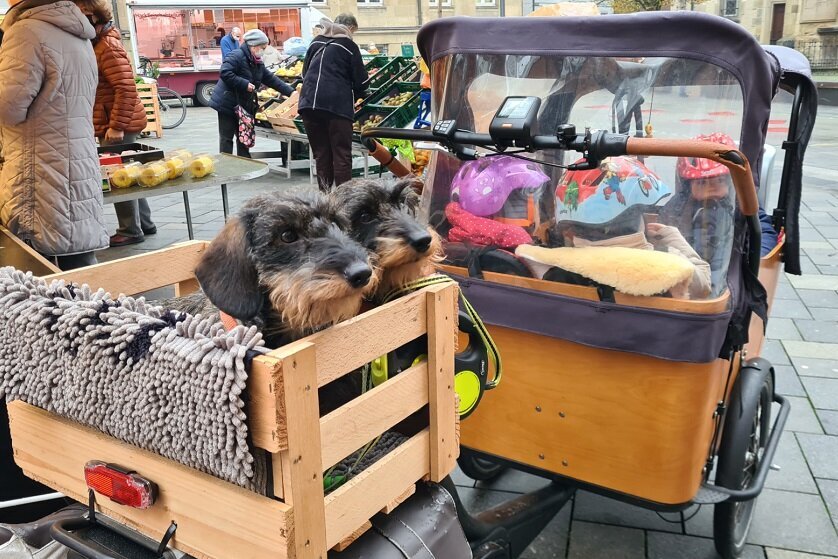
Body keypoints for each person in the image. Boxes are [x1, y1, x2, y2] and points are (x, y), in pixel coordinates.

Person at [0, 0, 109, 270]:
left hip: (39, 167)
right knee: (78, 256)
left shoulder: (26, 32)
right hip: (76, 159)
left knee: (33, 270)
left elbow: (9, 108)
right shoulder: (78, 34)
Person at [74, 0, 156, 248]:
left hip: (118, 122)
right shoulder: (99, 43)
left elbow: (126, 88)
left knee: (118, 174)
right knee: (129, 171)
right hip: (114, 119)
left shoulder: (107, 46)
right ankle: (145, 223)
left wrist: (116, 125)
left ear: (94, 19)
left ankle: (130, 229)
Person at [298, 14, 368, 192]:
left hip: (308, 104)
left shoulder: (316, 42)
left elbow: (305, 73)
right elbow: (361, 81)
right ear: (350, 28)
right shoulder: (349, 46)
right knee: (341, 154)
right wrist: (360, 95)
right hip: (336, 105)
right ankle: (345, 200)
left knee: (321, 154)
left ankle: (325, 199)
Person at [209, 29, 294, 158]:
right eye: (262, 47)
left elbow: (271, 79)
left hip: (243, 104)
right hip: (227, 103)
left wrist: (291, 92)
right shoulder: (237, 55)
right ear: (253, 46)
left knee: (244, 136)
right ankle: (225, 165)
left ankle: (244, 164)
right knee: (227, 137)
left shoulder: (257, 62)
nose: (264, 50)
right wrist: (244, 84)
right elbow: (225, 73)